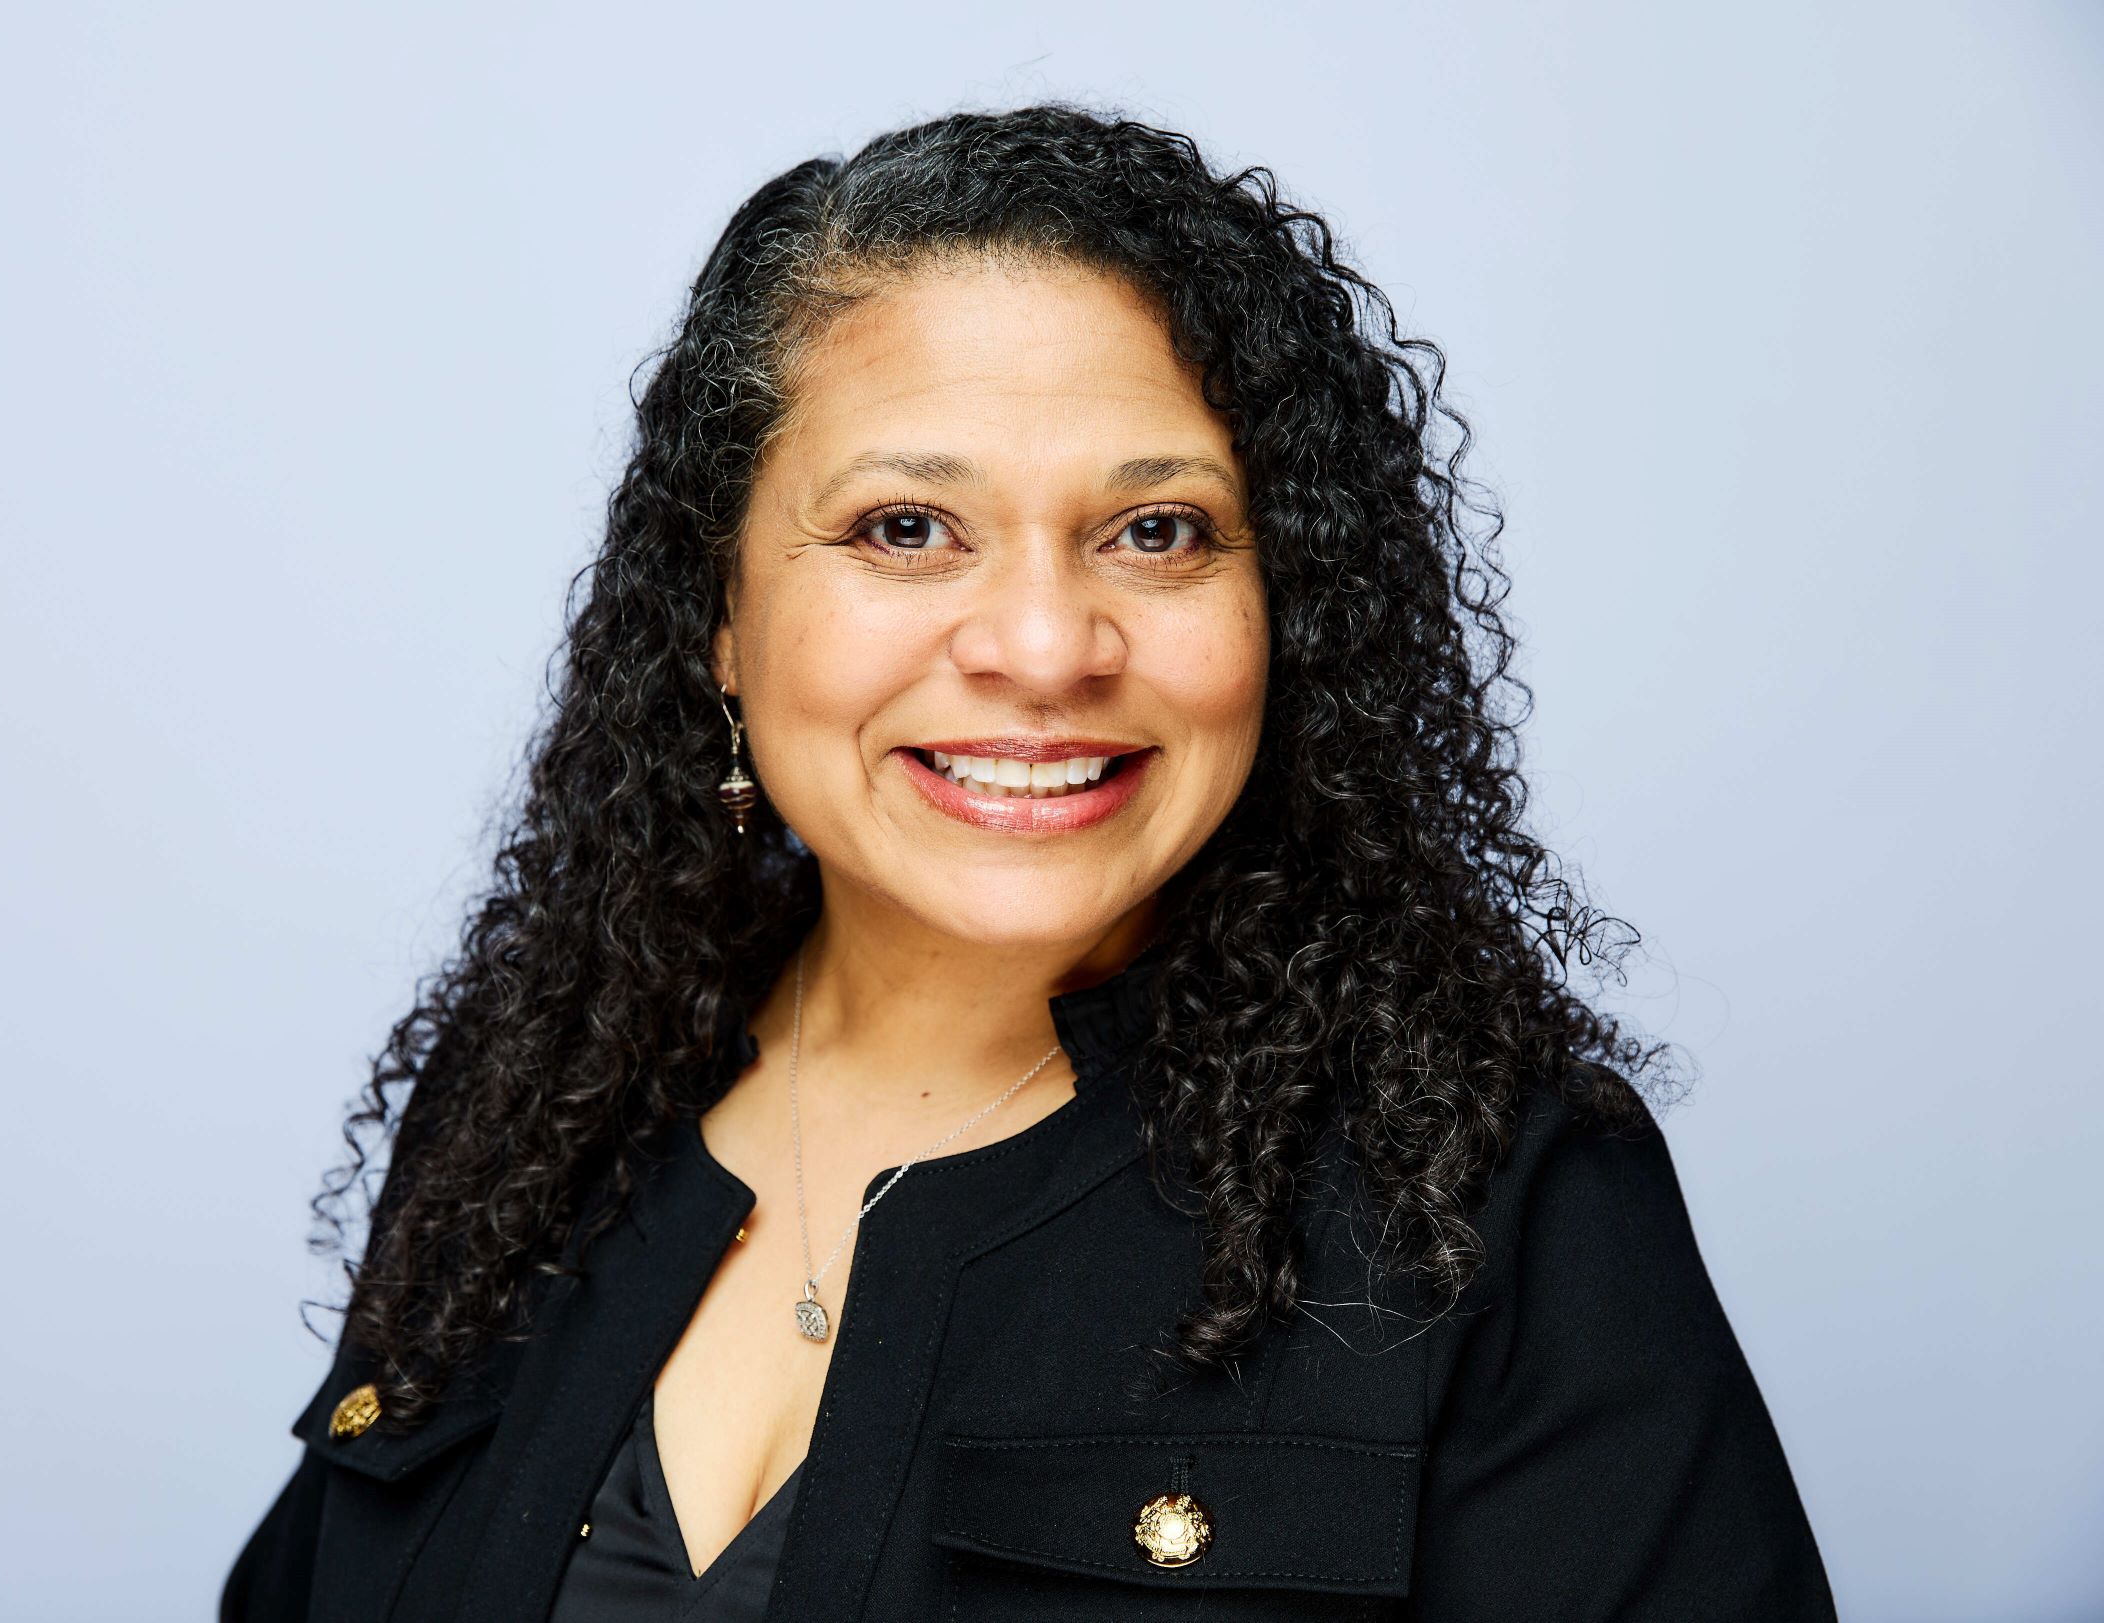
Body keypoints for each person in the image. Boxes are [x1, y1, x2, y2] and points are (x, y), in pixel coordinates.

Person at [221, 103, 1836, 1622]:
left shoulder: (1491, 1199)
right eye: (907, 527)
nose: (1047, 646)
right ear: (718, 615)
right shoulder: (535, 1099)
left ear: (1294, 615)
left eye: (1159, 531)